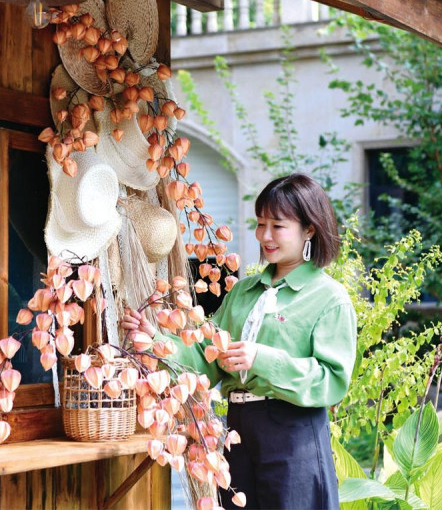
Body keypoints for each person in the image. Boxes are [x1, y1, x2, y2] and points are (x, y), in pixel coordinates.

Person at [121, 173, 357, 510]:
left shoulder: (329, 298)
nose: (265, 236)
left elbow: (332, 381)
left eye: (278, 226)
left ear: (309, 229)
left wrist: (261, 358)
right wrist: (153, 339)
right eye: (261, 224)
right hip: (238, 436)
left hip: (295, 438)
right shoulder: (245, 292)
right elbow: (205, 356)